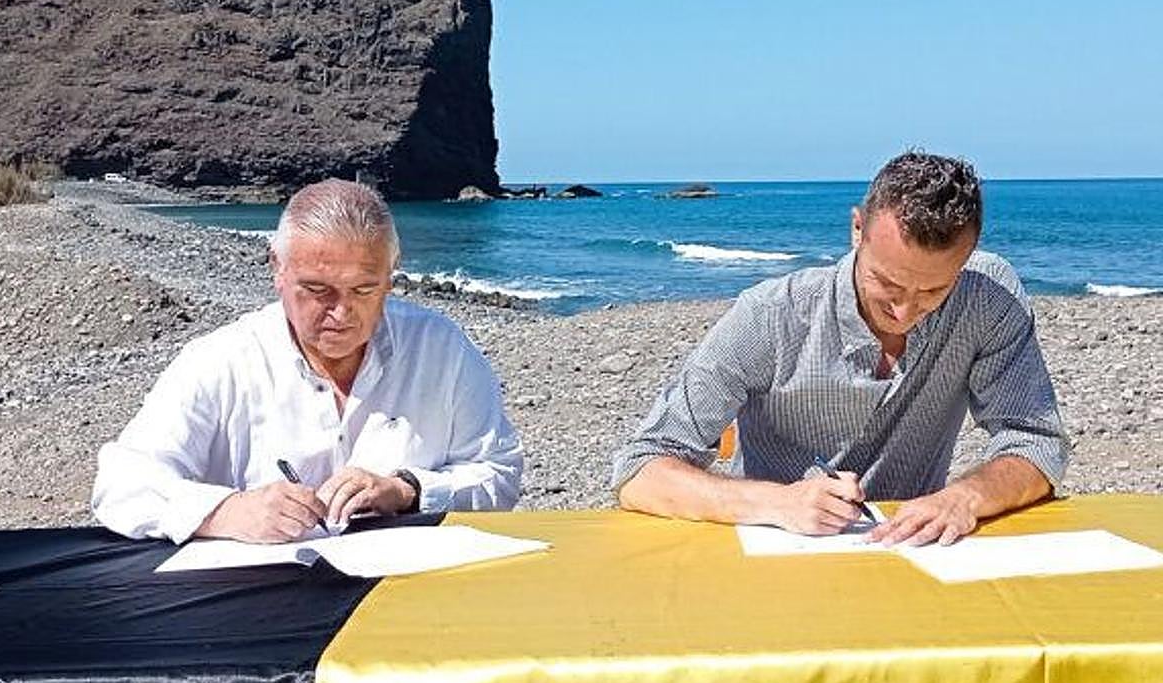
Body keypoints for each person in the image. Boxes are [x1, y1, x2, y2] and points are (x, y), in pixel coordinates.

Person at [613, 152, 1067, 546]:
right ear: (856, 229)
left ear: (965, 261)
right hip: (772, 554)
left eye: (933, 291)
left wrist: (965, 496)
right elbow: (639, 471)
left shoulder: (989, 298)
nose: (904, 311)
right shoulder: (771, 314)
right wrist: (778, 502)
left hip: (911, 555)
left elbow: (1037, 444)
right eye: (886, 283)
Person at [93, 179, 523, 544]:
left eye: (364, 290)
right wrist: (225, 512)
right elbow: (121, 484)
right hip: (254, 607)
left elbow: (499, 475)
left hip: (402, 599)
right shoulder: (221, 359)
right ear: (277, 270)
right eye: (317, 290)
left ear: (392, 276)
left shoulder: (440, 348)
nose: (340, 313)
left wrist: (408, 489)